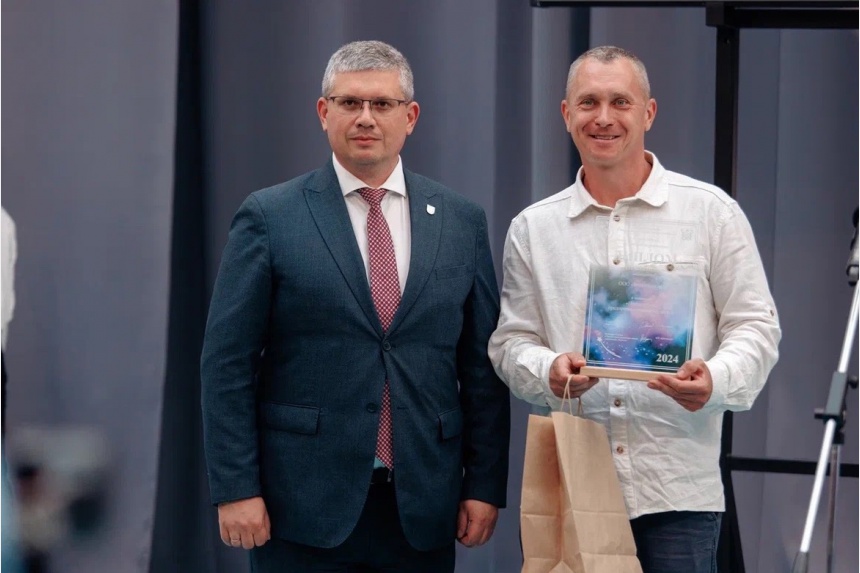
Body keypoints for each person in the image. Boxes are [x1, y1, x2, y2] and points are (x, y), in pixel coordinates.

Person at [201, 40, 510, 573]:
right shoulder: (270, 216)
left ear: (410, 117)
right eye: (349, 103)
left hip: (422, 507)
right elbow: (226, 363)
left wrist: (484, 485)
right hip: (300, 508)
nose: (366, 117)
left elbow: (482, 368)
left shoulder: (461, 221)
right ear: (324, 112)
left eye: (382, 104)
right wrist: (236, 488)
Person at [488, 46, 781, 573]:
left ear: (649, 112)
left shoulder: (711, 213)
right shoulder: (534, 229)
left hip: (677, 488)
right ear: (566, 114)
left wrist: (714, 379)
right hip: (575, 483)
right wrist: (547, 370)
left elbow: (755, 327)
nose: (603, 117)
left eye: (620, 102)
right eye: (588, 102)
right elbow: (511, 343)